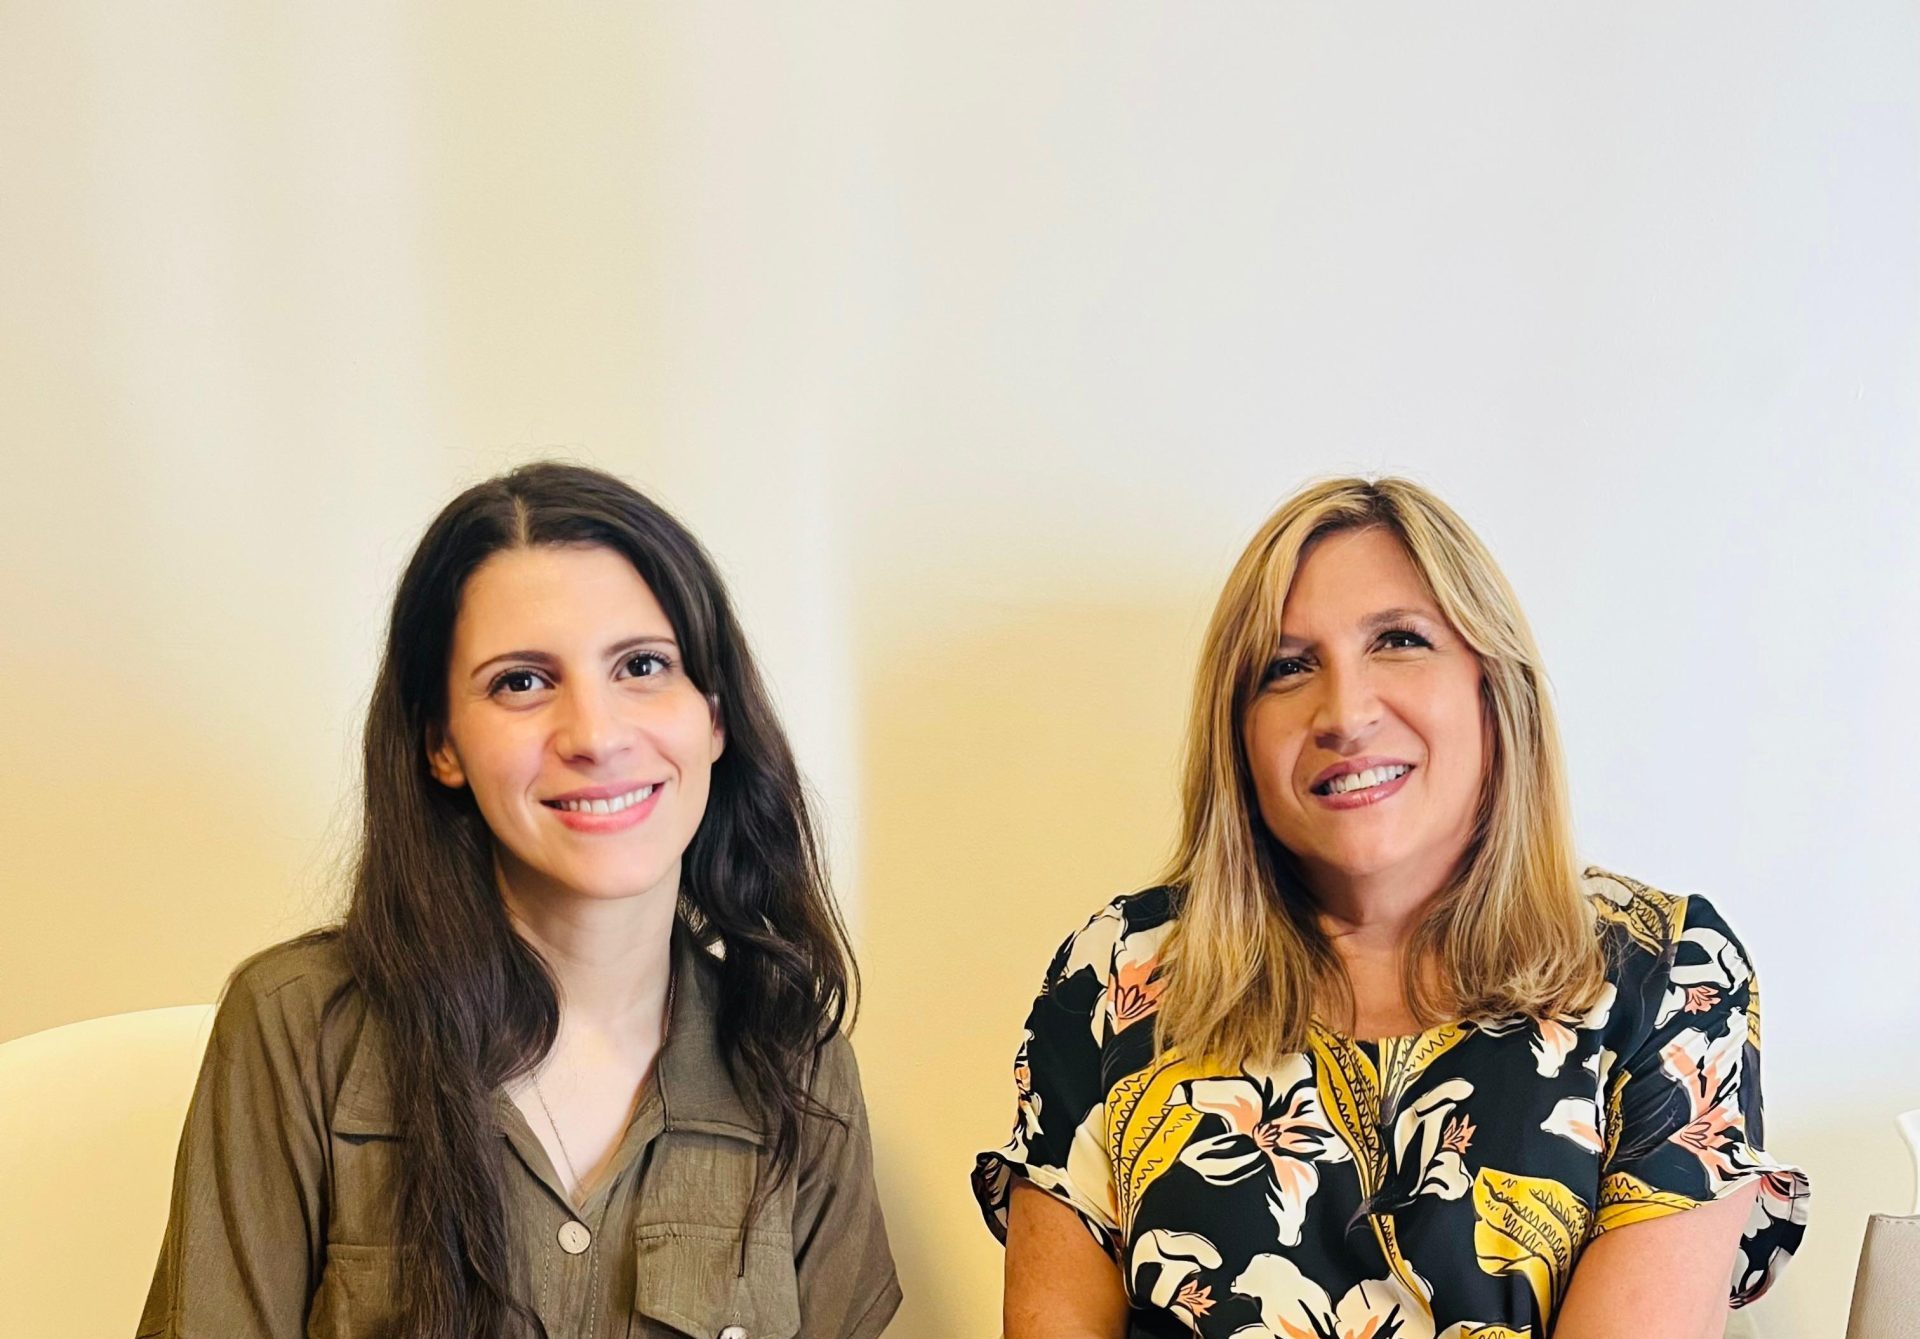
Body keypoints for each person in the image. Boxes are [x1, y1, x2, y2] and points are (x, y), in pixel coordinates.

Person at [974, 477, 1809, 1338]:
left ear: (1493, 686)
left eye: (1399, 641)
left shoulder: (1665, 974)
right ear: (1238, 732)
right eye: (1287, 667)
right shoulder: (1118, 975)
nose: (1344, 712)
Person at [139, 462, 900, 1339]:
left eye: (643, 665)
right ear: (441, 743)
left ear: (715, 716)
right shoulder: (296, 1028)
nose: (595, 735)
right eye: (522, 682)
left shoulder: (798, 1063)